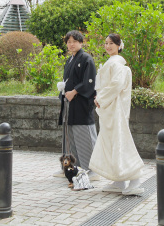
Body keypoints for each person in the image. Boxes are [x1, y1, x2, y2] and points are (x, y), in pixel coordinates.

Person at [89, 33, 144, 196]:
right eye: (106, 43)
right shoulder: (113, 63)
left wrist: (101, 98)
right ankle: (119, 180)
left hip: (115, 109)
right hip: (110, 109)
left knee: (121, 141)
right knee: (113, 142)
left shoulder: (117, 64)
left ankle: (135, 180)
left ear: (119, 45)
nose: (108, 46)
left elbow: (116, 84)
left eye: (111, 43)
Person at [55, 30, 98, 181]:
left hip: (80, 104)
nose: (71, 44)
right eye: (68, 42)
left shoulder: (86, 59)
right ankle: (71, 168)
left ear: (81, 42)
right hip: (69, 104)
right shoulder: (70, 60)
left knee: (84, 135)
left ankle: (92, 170)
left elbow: (90, 81)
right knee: (70, 137)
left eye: (74, 41)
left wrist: (75, 91)